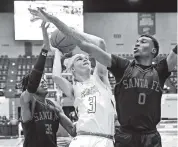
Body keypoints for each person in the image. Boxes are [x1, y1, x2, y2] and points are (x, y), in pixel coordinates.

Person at [28, 8, 177, 147]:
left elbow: (99, 43)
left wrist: (65, 28)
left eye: (142, 41)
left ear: (154, 50)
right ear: (72, 69)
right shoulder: (122, 68)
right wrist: (56, 27)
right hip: (102, 136)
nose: (137, 44)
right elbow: (59, 72)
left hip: (123, 137)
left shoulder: (100, 76)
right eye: (80, 59)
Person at [20, 21, 76, 147]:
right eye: (40, 80)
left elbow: (72, 130)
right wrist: (45, 49)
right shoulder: (27, 102)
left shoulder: (54, 106)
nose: (44, 81)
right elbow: (34, 80)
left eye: (44, 79)